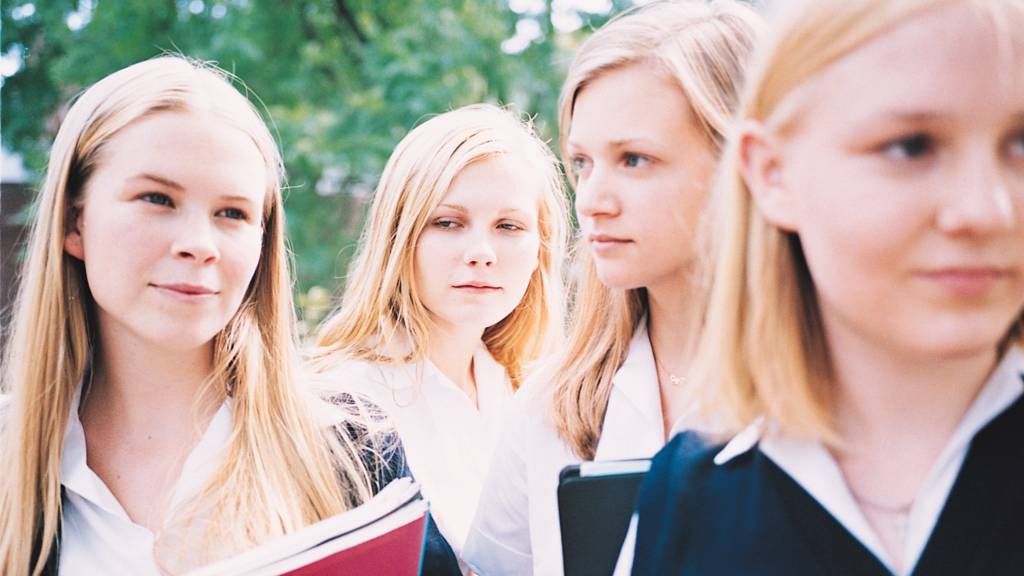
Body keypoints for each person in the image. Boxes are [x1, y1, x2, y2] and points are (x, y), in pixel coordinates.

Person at [0, 56, 459, 576]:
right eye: (157, 198)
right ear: (73, 221)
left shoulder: (354, 450)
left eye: (233, 213)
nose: (199, 245)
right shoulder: (8, 459)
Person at [628, 0, 1024, 574]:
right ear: (772, 173)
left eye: (1022, 145)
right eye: (911, 145)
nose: (985, 210)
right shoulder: (683, 499)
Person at [461, 2, 763, 575]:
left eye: (634, 159)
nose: (592, 199)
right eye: (581, 162)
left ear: (744, 165)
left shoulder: (855, 393)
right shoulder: (552, 408)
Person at [309, 103, 570, 563]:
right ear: (399, 236)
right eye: (448, 222)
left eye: (508, 226)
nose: (481, 252)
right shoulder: (339, 407)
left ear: (539, 250)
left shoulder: (544, 399)